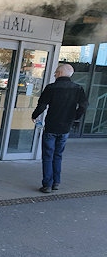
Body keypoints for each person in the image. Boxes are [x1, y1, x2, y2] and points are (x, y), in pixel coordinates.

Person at [32, 63, 88, 193]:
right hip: (65, 127)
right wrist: (75, 117)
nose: (55, 75)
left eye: (56, 72)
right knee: (58, 155)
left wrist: (34, 116)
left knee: (47, 155)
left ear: (61, 73)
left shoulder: (51, 88)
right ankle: (56, 182)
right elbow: (84, 105)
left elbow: (42, 105)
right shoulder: (78, 88)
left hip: (51, 126)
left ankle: (47, 184)